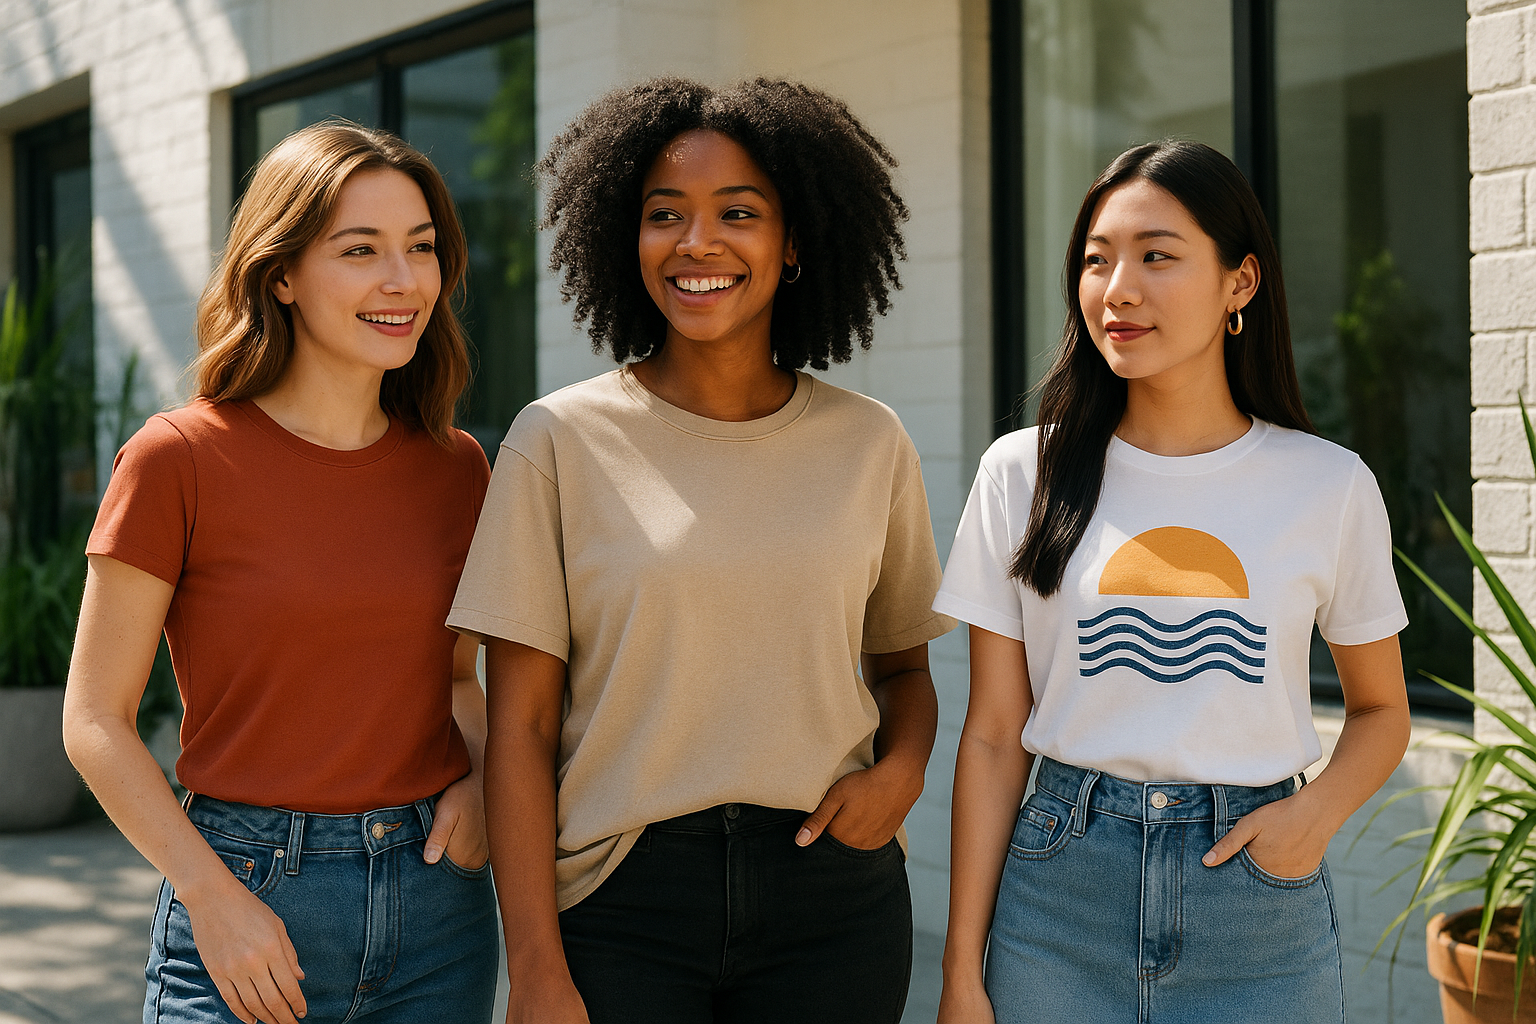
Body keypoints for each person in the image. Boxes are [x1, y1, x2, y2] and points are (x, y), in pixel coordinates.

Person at [447, 77, 956, 1024]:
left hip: (829, 894)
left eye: (739, 213)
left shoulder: (869, 442)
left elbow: (904, 672)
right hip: (620, 899)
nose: (697, 242)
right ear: (624, 238)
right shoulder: (556, 440)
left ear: (794, 241)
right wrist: (537, 968)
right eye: (664, 214)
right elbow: (517, 730)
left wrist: (902, 773)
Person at [933, 140, 1410, 1024]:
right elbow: (996, 736)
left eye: (1157, 256)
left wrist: (1313, 818)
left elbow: (1382, 711)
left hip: (1256, 899)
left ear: (1240, 283)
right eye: (1096, 259)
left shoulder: (1328, 483)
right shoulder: (1020, 473)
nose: (1118, 288)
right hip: (1058, 893)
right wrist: (962, 971)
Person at [62, 121, 498, 1024]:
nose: (402, 280)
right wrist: (211, 900)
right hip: (244, 895)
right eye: (360, 250)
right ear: (283, 273)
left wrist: (482, 779)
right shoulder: (176, 458)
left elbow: (455, 678)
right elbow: (95, 719)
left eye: (421, 249)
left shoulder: (457, 467)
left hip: (436, 909)